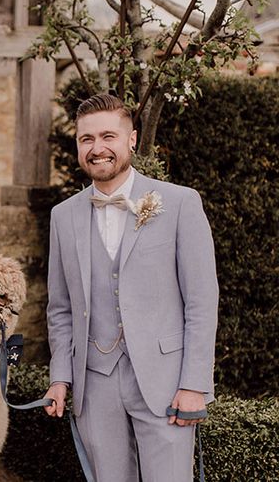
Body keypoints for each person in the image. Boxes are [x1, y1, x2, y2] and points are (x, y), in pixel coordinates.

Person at [43, 93, 218, 482]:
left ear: (132, 139)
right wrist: (60, 377)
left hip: (165, 382)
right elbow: (60, 308)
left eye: (109, 136)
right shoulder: (62, 216)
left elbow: (202, 303)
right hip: (95, 382)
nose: (97, 148)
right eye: (86, 139)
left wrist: (193, 385)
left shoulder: (179, 203)